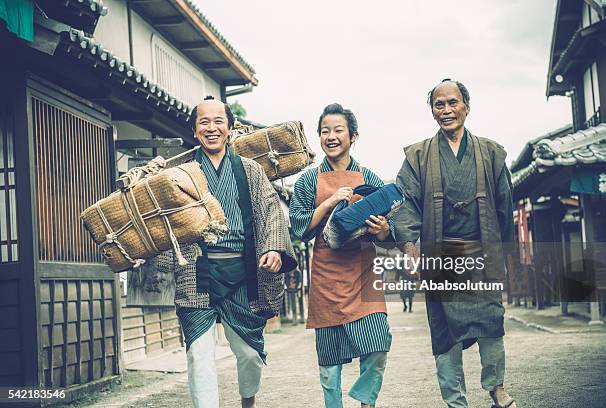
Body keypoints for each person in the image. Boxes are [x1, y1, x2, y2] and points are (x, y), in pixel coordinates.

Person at [152, 96, 297, 408]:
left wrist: (273, 248)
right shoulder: (179, 172)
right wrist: (151, 173)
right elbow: (148, 203)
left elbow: (271, 213)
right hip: (196, 273)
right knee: (198, 356)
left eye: (219, 121)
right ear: (194, 130)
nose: (212, 127)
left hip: (243, 274)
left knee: (249, 353)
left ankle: (248, 399)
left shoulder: (251, 171)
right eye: (204, 122)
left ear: (230, 129)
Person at [394, 79, 518, 408]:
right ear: (432, 111)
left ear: (466, 106)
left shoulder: (491, 153)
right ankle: (455, 400)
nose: (446, 110)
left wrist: (509, 258)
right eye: (439, 104)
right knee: (444, 332)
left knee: (492, 323)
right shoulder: (418, 156)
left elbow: (506, 207)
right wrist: (410, 248)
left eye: (453, 102)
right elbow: (404, 205)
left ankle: (496, 388)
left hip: (482, 254)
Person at [289, 103, 393, 408]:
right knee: (329, 362)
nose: (330, 137)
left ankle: (365, 402)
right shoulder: (308, 180)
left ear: (353, 136)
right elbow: (299, 227)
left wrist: (383, 228)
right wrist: (329, 202)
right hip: (326, 274)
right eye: (325, 131)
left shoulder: (369, 176)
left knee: (377, 346)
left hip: (363, 271)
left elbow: (391, 232)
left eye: (338, 130)